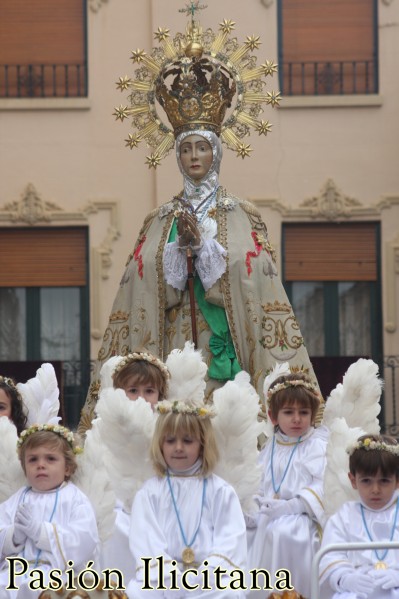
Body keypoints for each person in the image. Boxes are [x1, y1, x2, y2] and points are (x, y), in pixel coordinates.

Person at [78, 6, 320, 434]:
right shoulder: (158, 220)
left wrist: (206, 253)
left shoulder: (241, 214)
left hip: (225, 351)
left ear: (217, 153)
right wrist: (177, 254)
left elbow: (257, 282)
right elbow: (142, 288)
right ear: (177, 154)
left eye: (202, 148)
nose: (194, 157)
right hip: (172, 348)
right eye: (186, 149)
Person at [126, 400, 247, 599]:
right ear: (160, 444)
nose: (179, 448)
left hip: (209, 579)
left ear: (202, 444)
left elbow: (230, 540)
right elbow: (146, 541)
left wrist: (202, 578)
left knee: (229, 593)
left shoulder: (221, 491)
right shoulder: (149, 492)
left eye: (188, 441)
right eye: (170, 440)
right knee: (138, 593)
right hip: (162, 578)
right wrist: (170, 579)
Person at [247, 372, 328, 598]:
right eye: (288, 412)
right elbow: (257, 480)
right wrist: (254, 502)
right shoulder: (270, 447)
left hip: (303, 517)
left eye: (304, 412)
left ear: (312, 415)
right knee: (248, 532)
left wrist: (293, 506)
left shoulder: (317, 446)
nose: (296, 419)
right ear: (273, 417)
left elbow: (324, 484)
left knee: (283, 533)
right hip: (269, 514)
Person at [95, 351, 170, 582]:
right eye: (133, 391)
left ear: (160, 394)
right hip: (117, 506)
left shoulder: (167, 427)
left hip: (161, 505)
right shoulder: (103, 428)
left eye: (149, 391)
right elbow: (98, 472)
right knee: (116, 528)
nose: (141, 398)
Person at [0, 424, 99, 599]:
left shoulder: (75, 499)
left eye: (50, 459)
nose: (40, 465)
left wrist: (41, 532)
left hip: (57, 574)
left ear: (67, 467)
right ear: (24, 468)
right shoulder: (16, 500)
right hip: (14, 573)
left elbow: (85, 538)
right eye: (33, 460)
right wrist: (13, 537)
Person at [319, 434, 399, 599]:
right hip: (357, 590)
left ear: (397, 481)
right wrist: (345, 578)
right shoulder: (344, 517)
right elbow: (330, 557)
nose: (375, 489)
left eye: (384, 481)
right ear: (353, 480)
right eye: (366, 481)